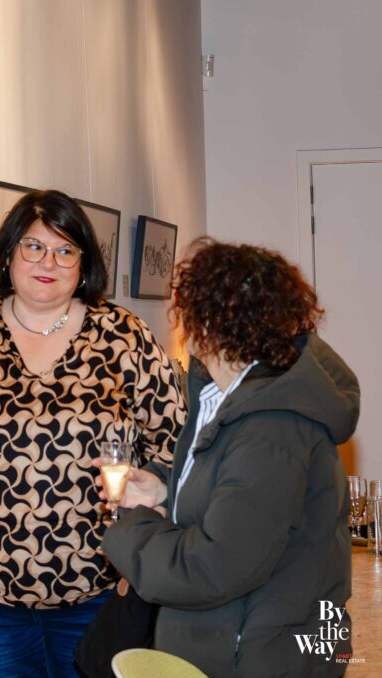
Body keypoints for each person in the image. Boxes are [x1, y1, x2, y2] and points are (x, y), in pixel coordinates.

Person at [0, 189, 186, 677]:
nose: (49, 262)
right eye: (34, 246)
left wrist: (153, 490)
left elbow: (177, 443)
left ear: (84, 265)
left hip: (100, 587)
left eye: (65, 250)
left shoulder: (122, 336)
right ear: (9, 253)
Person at [102, 239, 359, 677]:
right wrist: (166, 488)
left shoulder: (271, 424)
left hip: (257, 655)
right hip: (245, 641)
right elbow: (242, 500)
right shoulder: (232, 396)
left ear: (208, 322)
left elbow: (216, 566)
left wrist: (131, 531)